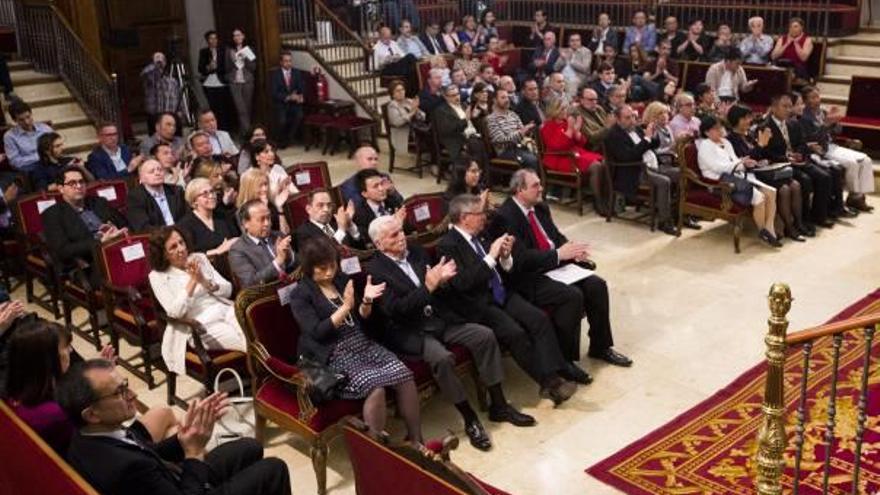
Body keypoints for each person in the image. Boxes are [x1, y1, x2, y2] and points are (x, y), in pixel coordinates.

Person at [367, 215, 534, 451]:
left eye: (401, 231)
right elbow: (396, 311)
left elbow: (437, 288)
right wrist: (429, 286)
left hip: (438, 319)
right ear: (379, 244)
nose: (402, 237)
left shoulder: (417, 252)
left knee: (484, 335)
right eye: (394, 235)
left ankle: (499, 405)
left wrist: (443, 282)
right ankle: (470, 419)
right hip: (411, 330)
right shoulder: (375, 270)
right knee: (442, 358)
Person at [57, 359, 292, 495]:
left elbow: (143, 450)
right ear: (92, 414)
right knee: (274, 468)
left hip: (166, 481)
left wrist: (182, 438)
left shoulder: (86, 436)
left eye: (125, 385)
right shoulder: (124, 468)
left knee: (248, 446)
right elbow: (141, 463)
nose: (132, 394)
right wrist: (193, 452)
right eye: (119, 392)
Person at [436, 194, 577, 405]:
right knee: (515, 332)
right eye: (480, 214)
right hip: (477, 303)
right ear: (464, 217)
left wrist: (505, 257)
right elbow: (463, 283)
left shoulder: (481, 235)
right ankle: (550, 383)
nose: (485, 217)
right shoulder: (447, 245)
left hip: (501, 292)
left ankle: (556, 371)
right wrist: (491, 257)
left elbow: (504, 270)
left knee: (538, 318)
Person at [492, 169, 633, 370]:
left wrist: (573, 251)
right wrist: (559, 255)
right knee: (572, 296)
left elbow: (555, 238)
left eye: (540, 184)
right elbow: (521, 259)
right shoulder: (506, 217)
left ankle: (601, 347)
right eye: (535, 185)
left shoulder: (540, 208)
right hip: (530, 277)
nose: (541, 188)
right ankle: (565, 360)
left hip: (555, 266)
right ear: (519, 190)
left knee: (597, 285)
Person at [290, 236, 423, 444]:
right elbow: (317, 332)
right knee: (374, 386)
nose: (329, 272)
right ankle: (374, 452)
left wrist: (367, 301)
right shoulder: (301, 294)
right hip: (333, 352)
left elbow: (362, 317)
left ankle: (417, 441)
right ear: (309, 268)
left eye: (332, 265)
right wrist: (345, 307)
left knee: (403, 374)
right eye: (322, 268)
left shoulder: (341, 280)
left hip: (361, 342)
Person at [4, 320, 178, 455]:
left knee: (165, 414)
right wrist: (103, 385)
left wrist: (94, 376)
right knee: (175, 428)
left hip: (92, 448)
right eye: (66, 347)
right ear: (50, 360)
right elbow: (105, 426)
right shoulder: (55, 414)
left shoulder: (18, 389)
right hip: (107, 453)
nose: (71, 351)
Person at [149, 226, 247, 374]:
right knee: (248, 342)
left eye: (181, 242)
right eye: (173, 247)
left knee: (256, 332)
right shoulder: (157, 276)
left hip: (225, 309)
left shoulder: (199, 258)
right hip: (199, 324)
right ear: (163, 254)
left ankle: (265, 379)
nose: (181, 249)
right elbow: (175, 312)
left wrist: (204, 281)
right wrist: (193, 282)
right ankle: (264, 382)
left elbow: (227, 290)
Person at [726, 105, 808, 241]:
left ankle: (798, 223)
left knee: (796, 185)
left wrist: (765, 157)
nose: (748, 121)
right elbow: (745, 160)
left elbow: (760, 154)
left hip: (764, 170)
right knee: (785, 190)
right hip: (751, 176)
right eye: (745, 118)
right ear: (736, 119)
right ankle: (788, 227)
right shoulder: (731, 139)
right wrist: (760, 146)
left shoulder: (750, 135)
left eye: (749, 118)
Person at [697, 116, 782, 246]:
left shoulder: (725, 142)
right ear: (707, 132)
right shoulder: (705, 146)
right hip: (720, 183)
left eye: (720, 127)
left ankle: (769, 228)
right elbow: (717, 167)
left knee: (772, 191)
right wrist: (740, 165)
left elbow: (734, 159)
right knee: (759, 197)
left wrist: (744, 162)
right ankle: (763, 232)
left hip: (738, 176)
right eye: (716, 129)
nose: (720, 130)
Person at [43, 167, 128, 285]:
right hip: (88, 264)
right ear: (61, 188)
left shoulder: (99, 202)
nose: (78, 186)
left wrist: (116, 229)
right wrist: (99, 242)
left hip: (117, 250)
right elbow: (63, 251)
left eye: (81, 182)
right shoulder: (53, 214)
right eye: (72, 183)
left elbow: (124, 224)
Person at [762, 93, 836, 228]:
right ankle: (803, 220)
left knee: (824, 176)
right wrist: (787, 157)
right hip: (782, 164)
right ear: (773, 108)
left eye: (790, 106)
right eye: (784, 106)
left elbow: (802, 143)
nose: (788, 109)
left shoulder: (793, 123)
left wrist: (799, 153)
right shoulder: (766, 127)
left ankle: (819, 216)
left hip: (799, 160)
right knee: (805, 180)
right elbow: (766, 153)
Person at [799, 86, 874, 213]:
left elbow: (838, 131)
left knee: (866, 160)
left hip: (832, 146)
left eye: (818, 96)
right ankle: (855, 196)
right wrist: (826, 124)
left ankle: (858, 197)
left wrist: (835, 121)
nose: (817, 100)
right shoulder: (804, 117)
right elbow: (813, 138)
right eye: (813, 97)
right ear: (806, 101)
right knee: (853, 163)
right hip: (820, 149)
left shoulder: (822, 111)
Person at [640, 102, 693, 234]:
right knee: (682, 176)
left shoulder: (667, 128)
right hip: (657, 164)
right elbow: (651, 152)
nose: (664, 116)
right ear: (653, 116)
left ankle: (681, 213)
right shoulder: (650, 130)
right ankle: (666, 219)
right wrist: (672, 147)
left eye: (666, 113)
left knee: (688, 174)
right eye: (660, 114)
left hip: (670, 161)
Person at [540, 100, 606, 202]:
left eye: (565, 109)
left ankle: (604, 196)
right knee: (596, 166)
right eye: (561, 109)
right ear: (553, 111)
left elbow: (582, 143)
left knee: (605, 161)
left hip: (574, 154)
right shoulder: (548, 126)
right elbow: (558, 146)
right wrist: (570, 129)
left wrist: (577, 131)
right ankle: (598, 201)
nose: (564, 111)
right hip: (560, 158)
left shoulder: (565, 122)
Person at [603, 105, 659, 212]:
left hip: (649, 165)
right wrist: (646, 139)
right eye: (627, 118)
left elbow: (653, 145)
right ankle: (664, 220)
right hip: (632, 172)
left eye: (633, 116)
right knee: (664, 182)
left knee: (678, 175)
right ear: (618, 119)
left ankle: (675, 213)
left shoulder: (636, 129)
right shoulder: (614, 135)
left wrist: (653, 134)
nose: (632, 120)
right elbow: (628, 157)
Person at [229, 199, 296, 288]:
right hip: (267, 295)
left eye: (268, 218)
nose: (267, 223)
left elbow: (295, 266)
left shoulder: (278, 236)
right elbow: (251, 283)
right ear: (246, 223)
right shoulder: (238, 250)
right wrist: (278, 261)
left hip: (291, 287)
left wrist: (289, 255)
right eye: (261, 219)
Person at [177, 178, 240, 256]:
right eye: (205, 194)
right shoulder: (185, 225)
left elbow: (237, 238)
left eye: (212, 191)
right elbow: (189, 255)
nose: (211, 196)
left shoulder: (224, 216)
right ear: (194, 201)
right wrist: (217, 251)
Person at [432, 83, 486, 166]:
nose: (457, 97)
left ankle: (487, 175)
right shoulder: (441, 111)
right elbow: (448, 130)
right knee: (478, 146)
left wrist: (474, 118)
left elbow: (472, 124)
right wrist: (466, 120)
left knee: (487, 143)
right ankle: (478, 175)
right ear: (446, 97)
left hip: (474, 136)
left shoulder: (464, 105)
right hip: (458, 140)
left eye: (458, 94)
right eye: (453, 95)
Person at [295, 188, 366, 251]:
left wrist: (350, 224)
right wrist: (341, 229)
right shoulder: (303, 232)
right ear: (308, 209)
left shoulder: (336, 224)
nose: (326, 209)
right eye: (320, 205)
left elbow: (361, 248)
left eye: (329, 205)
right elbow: (322, 255)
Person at [127, 159, 188, 231]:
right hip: (157, 237)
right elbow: (143, 227)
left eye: (160, 170)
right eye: (151, 171)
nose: (157, 173)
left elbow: (188, 216)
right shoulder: (135, 197)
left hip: (182, 233)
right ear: (142, 179)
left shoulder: (176, 190)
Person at [486, 88, 539, 170]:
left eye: (507, 97)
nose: (507, 100)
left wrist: (528, 130)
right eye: (503, 98)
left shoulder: (513, 114)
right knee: (532, 160)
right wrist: (521, 132)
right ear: (495, 100)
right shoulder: (491, 119)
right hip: (505, 151)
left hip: (520, 147)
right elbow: (500, 140)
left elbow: (522, 132)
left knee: (541, 157)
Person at [352, 169, 408, 242]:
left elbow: (410, 229)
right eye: (375, 186)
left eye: (381, 184)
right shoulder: (359, 214)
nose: (381, 189)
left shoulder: (394, 201)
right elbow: (367, 241)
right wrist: (396, 225)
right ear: (364, 193)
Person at [198, 30, 234, 132]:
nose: (213, 40)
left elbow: (228, 67)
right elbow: (200, 68)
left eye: (215, 38)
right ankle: (214, 130)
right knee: (214, 109)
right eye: (211, 38)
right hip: (209, 83)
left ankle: (225, 131)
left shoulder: (224, 51)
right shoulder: (203, 52)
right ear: (207, 40)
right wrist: (209, 67)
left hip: (222, 82)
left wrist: (217, 68)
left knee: (224, 109)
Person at [4, 98, 53, 172]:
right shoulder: (10, 136)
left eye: (28, 117)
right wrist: (40, 156)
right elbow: (15, 161)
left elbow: (57, 146)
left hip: (50, 161)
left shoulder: (44, 128)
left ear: (31, 114)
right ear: (14, 120)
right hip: (30, 167)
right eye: (21, 120)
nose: (27, 122)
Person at [237, 168, 289, 235]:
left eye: (265, 184)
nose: (265, 189)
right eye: (260, 185)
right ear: (250, 187)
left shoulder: (271, 205)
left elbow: (285, 232)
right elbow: (258, 237)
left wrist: (279, 208)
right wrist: (264, 209)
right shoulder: (242, 211)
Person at [268, 51, 304, 149]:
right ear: (281, 62)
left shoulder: (297, 72)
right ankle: (281, 141)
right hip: (281, 103)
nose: (288, 63)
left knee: (299, 116)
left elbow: (301, 87)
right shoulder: (275, 74)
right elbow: (274, 93)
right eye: (286, 61)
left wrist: (299, 96)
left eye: (290, 61)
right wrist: (288, 97)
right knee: (282, 121)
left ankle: (289, 138)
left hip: (294, 104)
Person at [140, 52, 181, 135]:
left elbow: (177, 96)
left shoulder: (172, 81)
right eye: (157, 58)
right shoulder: (150, 78)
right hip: (155, 115)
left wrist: (180, 110)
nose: (160, 61)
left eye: (161, 59)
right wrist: (155, 65)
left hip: (171, 114)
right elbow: (144, 73)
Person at [226, 28, 257, 132]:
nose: (237, 37)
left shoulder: (249, 49)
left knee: (247, 109)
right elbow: (227, 68)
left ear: (243, 36)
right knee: (241, 110)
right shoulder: (229, 50)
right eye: (234, 35)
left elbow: (253, 67)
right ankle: (249, 134)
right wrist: (234, 61)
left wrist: (245, 58)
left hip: (247, 81)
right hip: (235, 82)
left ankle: (243, 132)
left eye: (239, 35)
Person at [387, 80, 426, 157]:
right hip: (404, 135)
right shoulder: (392, 105)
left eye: (402, 89)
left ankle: (437, 161)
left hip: (416, 131)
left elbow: (423, 116)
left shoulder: (408, 101)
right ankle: (436, 161)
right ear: (393, 94)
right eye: (398, 91)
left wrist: (417, 111)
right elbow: (397, 122)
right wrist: (412, 112)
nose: (401, 92)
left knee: (435, 134)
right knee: (432, 138)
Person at [556, 33, 592, 99]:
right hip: (562, 77)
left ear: (580, 41)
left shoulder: (586, 52)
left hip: (577, 78)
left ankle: (569, 106)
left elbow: (585, 69)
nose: (575, 43)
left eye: (577, 40)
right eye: (572, 41)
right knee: (548, 80)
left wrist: (571, 60)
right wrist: (562, 59)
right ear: (569, 42)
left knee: (572, 83)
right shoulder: (566, 51)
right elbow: (555, 68)